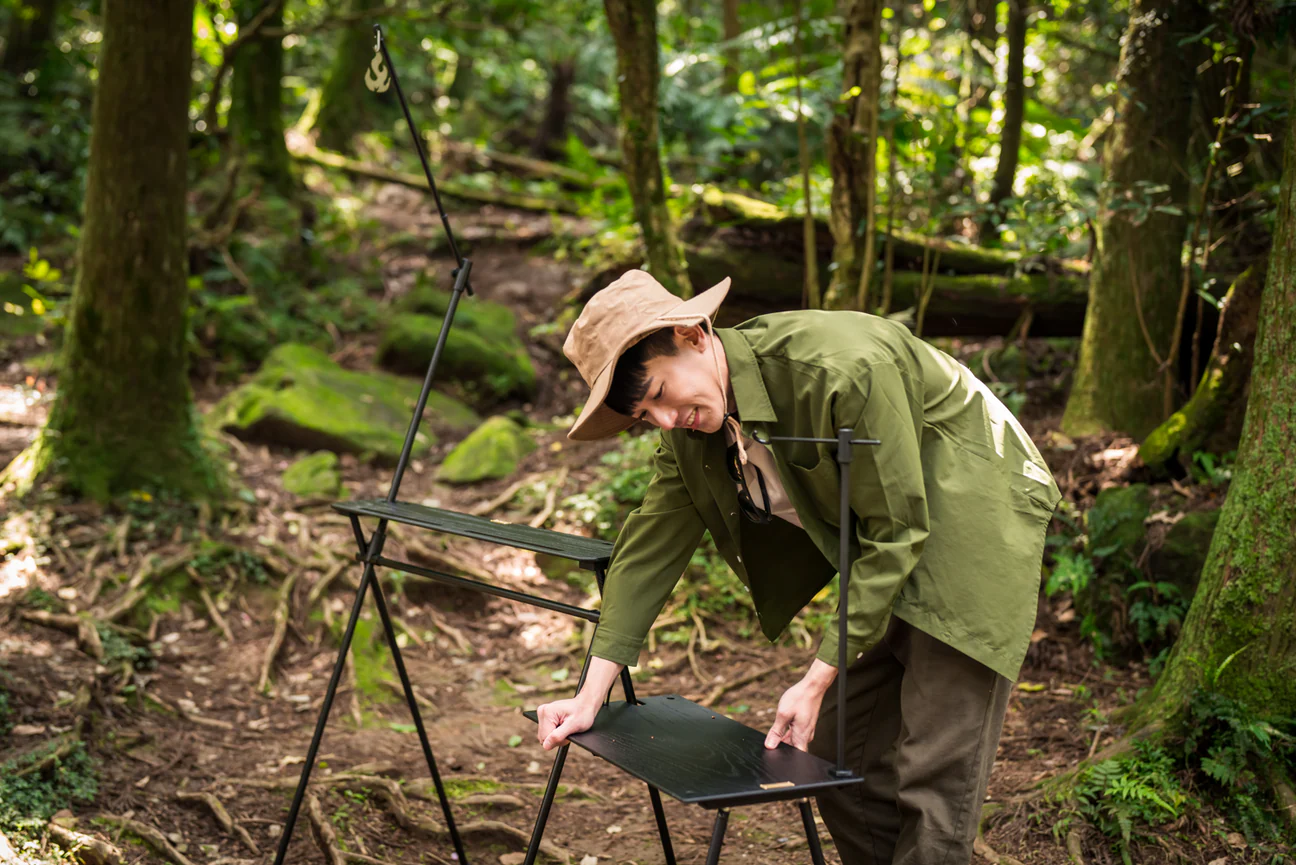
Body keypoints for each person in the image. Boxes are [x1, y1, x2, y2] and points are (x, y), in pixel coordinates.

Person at [534, 269, 1060, 865]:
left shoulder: (840, 368)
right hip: (884, 533)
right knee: (842, 754)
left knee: (933, 772)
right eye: (643, 417)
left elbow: (896, 530)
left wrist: (816, 677)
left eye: (658, 394)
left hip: (973, 514)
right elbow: (651, 545)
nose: (663, 420)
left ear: (693, 335)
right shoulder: (693, 427)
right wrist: (590, 697)